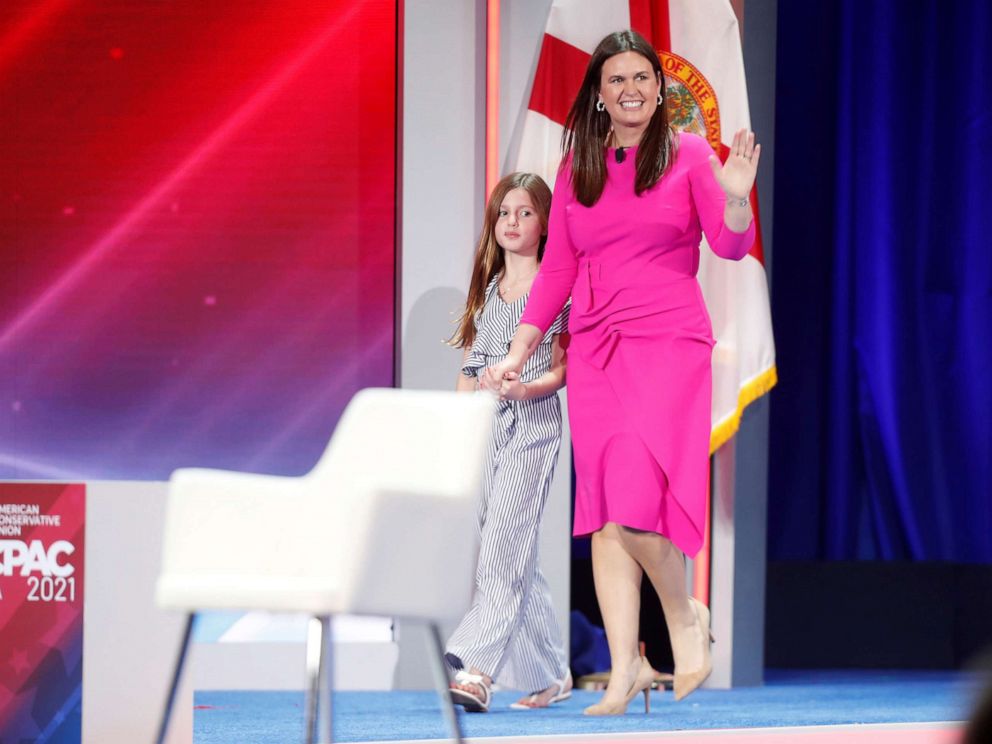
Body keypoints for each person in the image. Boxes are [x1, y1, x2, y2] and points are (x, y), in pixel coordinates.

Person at [485, 30, 760, 716]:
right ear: (599, 94)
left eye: (641, 77)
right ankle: (623, 671)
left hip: (667, 342)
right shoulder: (578, 163)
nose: (630, 89)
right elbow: (557, 271)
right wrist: (520, 349)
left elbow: (729, 246)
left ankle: (684, 616)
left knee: (637, 505)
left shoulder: (691, 154)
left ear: (659, 89)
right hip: (596, 347)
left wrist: (734, 199)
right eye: (616, 80)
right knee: (606, 516)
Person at [445, 172, 573, 713]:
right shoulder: (489, 291)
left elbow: (563, 368)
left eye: (524, 212)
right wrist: (458, 426)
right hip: (484, 430)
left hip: (533, 427)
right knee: (513, 553)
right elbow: (470, 370)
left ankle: (475, 668)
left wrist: (525, 385)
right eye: (504, 214)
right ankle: (549, 673)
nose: (512, 223)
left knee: (503, 547)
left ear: (544, 221)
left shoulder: (556, 285)